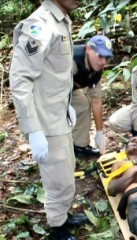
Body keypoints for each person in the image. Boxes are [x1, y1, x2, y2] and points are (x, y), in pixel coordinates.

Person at [9, 1, 88, 239]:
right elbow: (20, 79)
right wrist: (33, 129)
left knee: (66, 171)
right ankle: (57, 229)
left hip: (58, 115)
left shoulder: (60, 20)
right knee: (59, 181)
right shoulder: (39, 24)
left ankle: (62, 216)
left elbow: (54, 75)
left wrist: (67, 106)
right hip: (45, 122)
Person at [71, 35, 113, 157]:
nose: (103, 62)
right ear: (88, 49)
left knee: (83, 103)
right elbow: (56, 89)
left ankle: (79, 146)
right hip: (48, 90)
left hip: (69, 89)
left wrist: (99, 132)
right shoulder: (71, 60)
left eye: (107, 58)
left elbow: (96, 100)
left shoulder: (98, 68)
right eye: (100, 56)